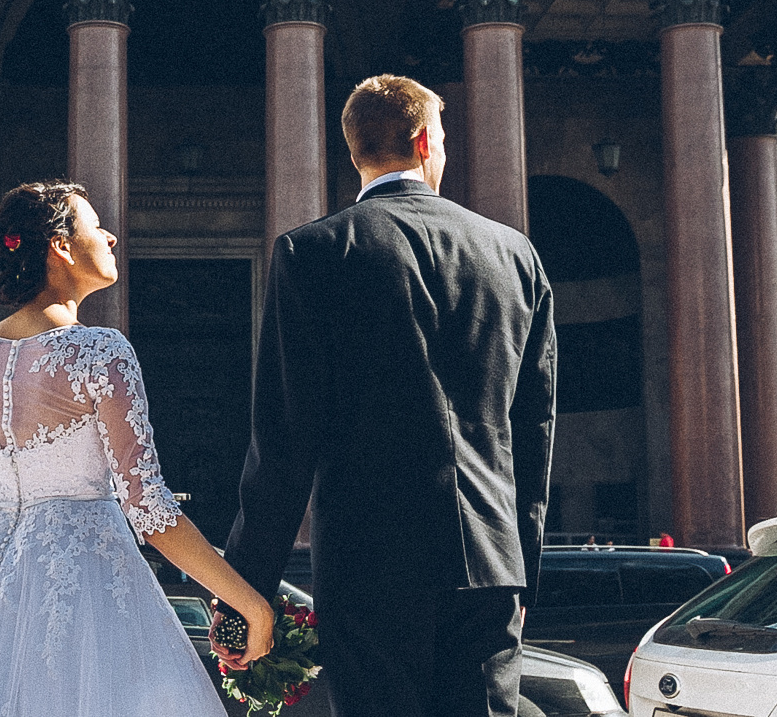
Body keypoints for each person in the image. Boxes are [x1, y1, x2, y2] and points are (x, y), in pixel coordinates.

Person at [0, 181, 274, 717]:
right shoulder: (100, 352)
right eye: (97, 225)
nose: (112, 236)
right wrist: (248, 602)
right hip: (90, 602)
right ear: (62, 246)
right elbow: (148, 506)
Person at [220, 75, 558, 717]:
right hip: (491, 563)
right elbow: (532, 433)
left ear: (354, 154)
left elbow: (285, 440)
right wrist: (521, 568)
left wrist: (247, 591)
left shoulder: (312, 252)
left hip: (368, 566)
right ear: (427, 140)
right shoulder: (516, 255)